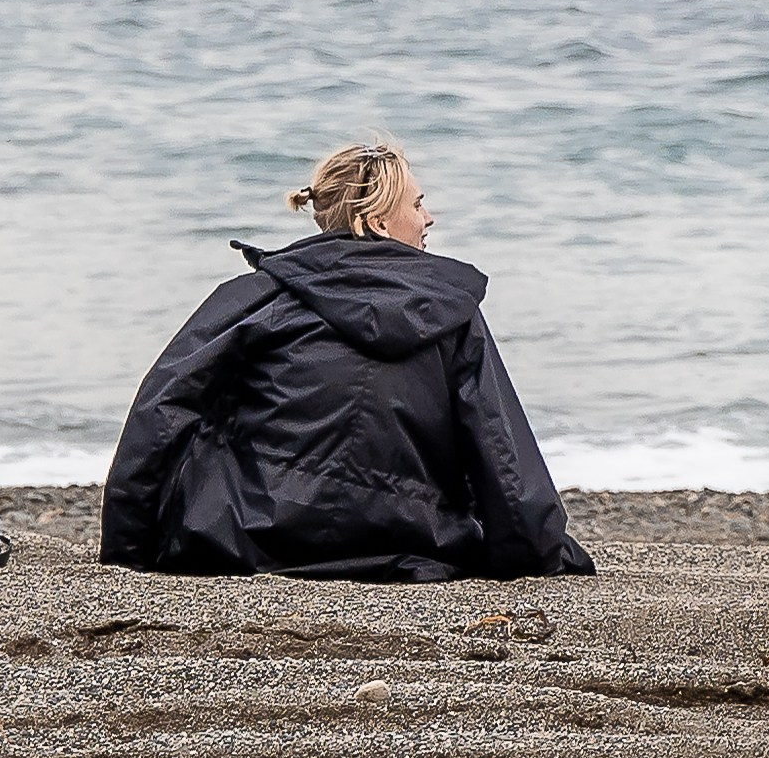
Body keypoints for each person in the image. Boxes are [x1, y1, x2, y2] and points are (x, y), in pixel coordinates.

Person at [100, 140, 594, 582]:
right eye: (417, 204)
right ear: (377, 223)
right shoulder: (448, 313)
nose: (429, 218)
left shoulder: (259, 298)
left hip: (250, 533)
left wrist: (129, 546)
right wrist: (536, 550)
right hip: (408, 537)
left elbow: (163, 407)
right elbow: (498, 447)